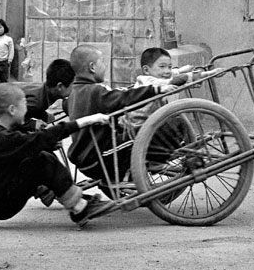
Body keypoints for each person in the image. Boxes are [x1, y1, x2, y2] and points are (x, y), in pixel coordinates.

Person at [0, 83, 111, 227]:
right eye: (24, 105)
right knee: (41, 160)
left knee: (37, 153)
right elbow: (41, 138)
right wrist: (86, 121)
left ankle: (68, 198)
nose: (26, 109)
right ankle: (79, 208)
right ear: (12, 110)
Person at [66, 44, 177, 184]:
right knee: (171, 125)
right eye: (102, 62)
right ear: (92, 67)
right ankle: (154, 161)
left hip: (85, 159)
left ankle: (126, 177)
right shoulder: (95, 91)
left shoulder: (74, 93)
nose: (105, 67)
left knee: (128, 132)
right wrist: (155, 90)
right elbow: (123, 98)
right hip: (101, 156)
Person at [125, 47, 224, 128]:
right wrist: (209, 73)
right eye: (162, 66)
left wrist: (181, 70)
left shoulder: (155, 77)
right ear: (146, 70)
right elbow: (172, 80)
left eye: (169, 66)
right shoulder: (147, 81)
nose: (167, 71)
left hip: (149, 123)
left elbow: (171, 74)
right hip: (139, 127)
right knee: (179, 122)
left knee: (176, 118)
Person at [0, 59, 76, 132]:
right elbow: (14, 116)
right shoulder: (37, 101)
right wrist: (32, 124)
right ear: (59, 86)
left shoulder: (43, 91)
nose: (74, 89)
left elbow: (29, 110)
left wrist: (44, 116)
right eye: (73, 85)